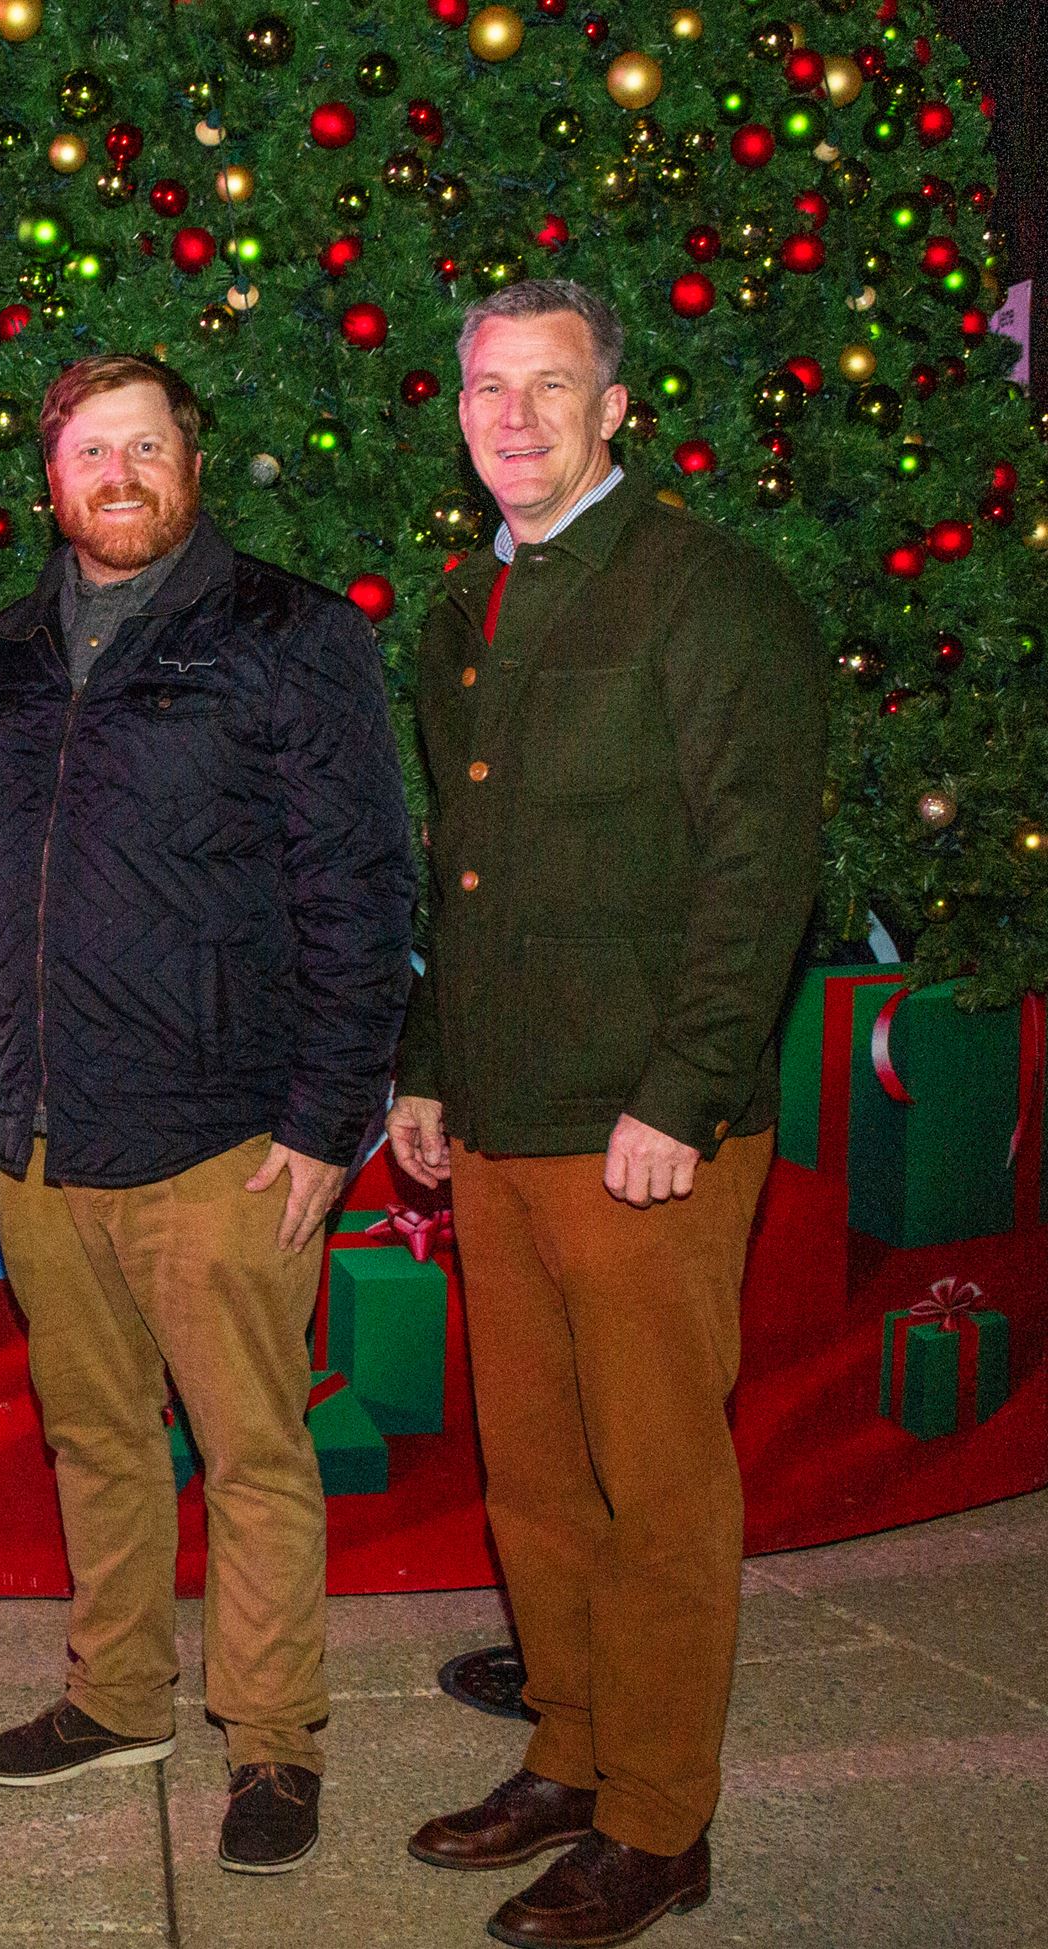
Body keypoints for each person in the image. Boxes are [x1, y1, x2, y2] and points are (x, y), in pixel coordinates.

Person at [0, 355, 416, 1873]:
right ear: (52, 480)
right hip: (45, 1144)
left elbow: (360, 882)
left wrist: (331, 1115)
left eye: (147, 447)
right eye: (92, 451)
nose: (120, 474)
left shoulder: (290, 635)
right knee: (95, 1439)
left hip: (225, 1140)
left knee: (255, 1450)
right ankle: (117, 1693)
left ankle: (271, 1742)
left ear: (190, 467)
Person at [390, 279, 824, 1948]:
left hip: (646, 1135)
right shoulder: (465, 614)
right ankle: (571, 1756)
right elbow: (467, 870)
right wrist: (430, 1063)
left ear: (616, 409)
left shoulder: (708, 595)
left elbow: (759, 869)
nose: (514, 415)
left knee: (659, 1490)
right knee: (541, 1480)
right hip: (504, 1126)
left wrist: (685, 1089)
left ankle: (661, 1818)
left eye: (548, 387)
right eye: (489, 388)